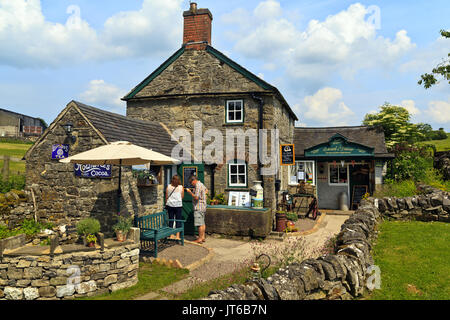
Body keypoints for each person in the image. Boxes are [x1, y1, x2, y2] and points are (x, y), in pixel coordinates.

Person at [185, 175, 208, 244]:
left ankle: (199, 239)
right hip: (203, 206)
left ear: (194, 180)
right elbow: (206, 190)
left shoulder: (198, 186)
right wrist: (203, 196)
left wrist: (189, 192)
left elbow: (196, 197)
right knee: (202, 223)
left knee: (199, 224)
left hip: (198, 207)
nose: (191, 184)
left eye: (191, 182)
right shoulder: (201, 184)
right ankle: (203, 237)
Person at [165, 175, 184, 240]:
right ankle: (178, 236)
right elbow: (182, 196)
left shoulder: (168, 186)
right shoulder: (181, 187)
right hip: (178, 205)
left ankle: (171, 235)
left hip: (170, 205)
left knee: (171, 220)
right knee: (178, 220)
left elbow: (166, 196)